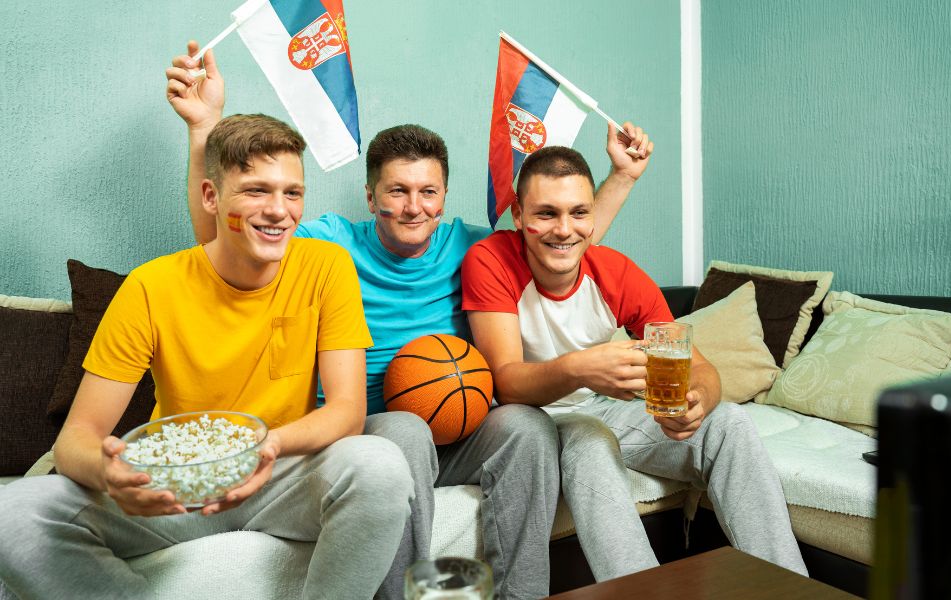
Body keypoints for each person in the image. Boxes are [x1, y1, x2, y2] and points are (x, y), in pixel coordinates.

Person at [165, 42, 654, 598]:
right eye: (397, 191)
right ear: (371, 196)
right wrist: (203, 128)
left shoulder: (472, 248)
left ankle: (521, 593)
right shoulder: (329, 243)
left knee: (528, 426)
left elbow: (561, 244)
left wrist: (623, 177)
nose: (413, 206)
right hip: (369, 430)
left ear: (444, 198)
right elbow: (220, 241)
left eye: (427, 192)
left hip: (462, 421)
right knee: (405, 428)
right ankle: (410, 593)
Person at [0, 114, 414, 599]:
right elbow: (77, 439)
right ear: (211, 198)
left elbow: (346, 411)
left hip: (277, 475)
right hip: (175, 490)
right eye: (256, 191)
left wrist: (270, 446)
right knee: (13, 514)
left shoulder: (326, 267)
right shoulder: (150, 287)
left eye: (293, 193)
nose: (279, 210)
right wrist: (112, 474)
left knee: (381, 462)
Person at [460, 145, 809, 581]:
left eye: (579, 213)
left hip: (600, 408)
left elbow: (699, 367)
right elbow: (506, 382)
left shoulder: (616, 273)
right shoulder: (491, 260)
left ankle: (790, 587)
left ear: (592, 216)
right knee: (590, 443)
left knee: (730, 423)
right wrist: (583, 368)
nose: (564, 230)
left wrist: (697, 400)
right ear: (519, 215)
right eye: (546, 214)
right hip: (531, 420)